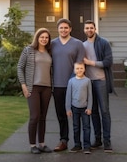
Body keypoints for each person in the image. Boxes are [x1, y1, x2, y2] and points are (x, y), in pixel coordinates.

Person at [51, 18, 86, 152]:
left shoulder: (77, 44)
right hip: (58, 85)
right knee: (61, 115)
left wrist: (74, 82)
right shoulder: (52, 44)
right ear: (58, 29)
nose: (64, 30)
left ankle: (79, 142)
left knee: (78, 114)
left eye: (66, 27)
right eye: (61, 28)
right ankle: (63, 140)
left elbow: (79, 65)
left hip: (74, 84)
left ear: (70, 29)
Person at [17, 28, 53, 154]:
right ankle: (33, 145)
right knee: (35, 116)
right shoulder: (29, 50)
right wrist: (23, 85)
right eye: (41, 37)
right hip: (33, 88)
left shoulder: (49, 52)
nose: (44, 39)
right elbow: (20, 67)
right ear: (37, 38)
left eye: (46, 37)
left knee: (43, 117)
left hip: (47, 88)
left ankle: (42, 144)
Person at [82, 20, 115, 153]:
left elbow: (108, 62)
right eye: (87, 28)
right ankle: (97, 139)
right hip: (88, 82)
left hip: (101, 81)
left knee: (105, 111)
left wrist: (90, 62)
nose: (89, 30)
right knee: (93, 112)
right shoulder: (82, 45)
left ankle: (107, 141)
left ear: (95, 29)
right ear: (84, 30)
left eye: (91, 28)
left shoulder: (103, 43)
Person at [65, 62, 93, 154]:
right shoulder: (71, 81)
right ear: (74, 70)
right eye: (77, 68)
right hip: (75, 108)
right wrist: (68, 109)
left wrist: (89, 107)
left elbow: (90, 96)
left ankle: (87, 146)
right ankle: (77, 145)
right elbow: (68, 96)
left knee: (86, 128)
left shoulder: (87, 81)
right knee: (76, 127)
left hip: (85, 108)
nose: (79, 70)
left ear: (84, 69)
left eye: (81, 68)